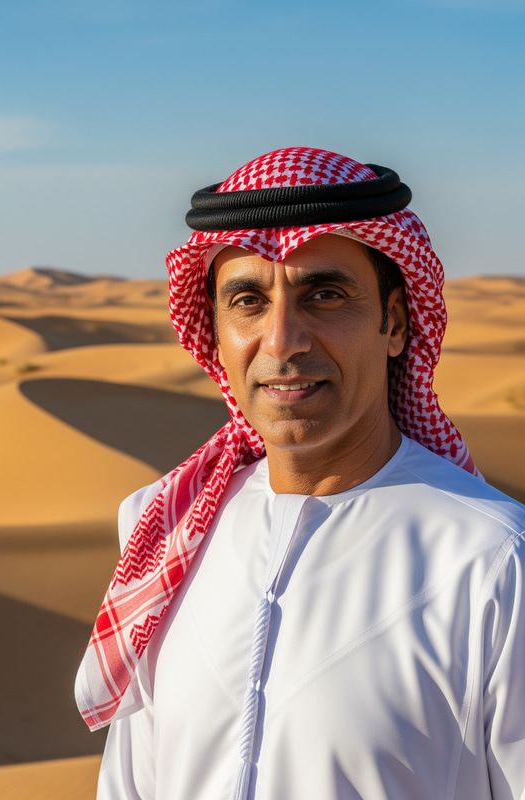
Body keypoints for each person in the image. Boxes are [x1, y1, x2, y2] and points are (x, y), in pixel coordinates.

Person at [75, 147, 525, 799]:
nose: (283, 341)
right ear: (215, 330)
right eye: (248, 301)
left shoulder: (493, 560)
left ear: (393, 323)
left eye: (324, 295)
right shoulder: (164, 529)